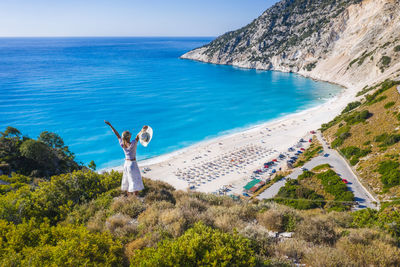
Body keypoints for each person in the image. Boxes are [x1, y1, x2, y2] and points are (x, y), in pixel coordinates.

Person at [105, 120, 148, 197]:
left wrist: (110, 125)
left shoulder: (122, 144)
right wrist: (143, 129)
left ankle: (129, 197)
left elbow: (117, 134)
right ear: (129, 137)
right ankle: (135, 197)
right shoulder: (133, 144)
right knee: (135, 181)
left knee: (128, 180)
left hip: (126, 164)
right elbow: (138, 136)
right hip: (132, 164)